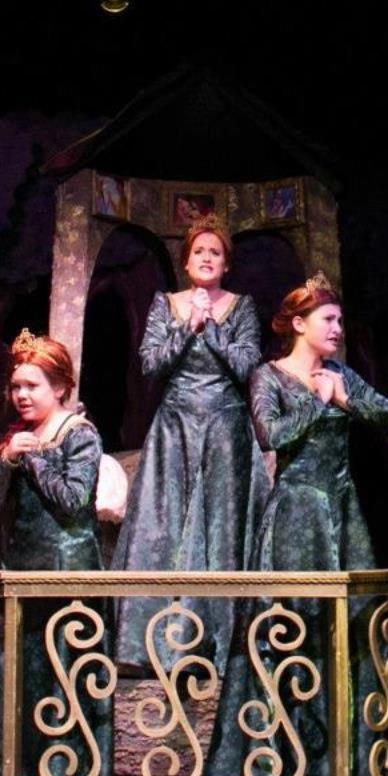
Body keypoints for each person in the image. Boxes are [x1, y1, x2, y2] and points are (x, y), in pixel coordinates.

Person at [206, 272, 388, 776]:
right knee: (291, 628)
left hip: (343, 515)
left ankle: (348, 766)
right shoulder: (269, 375)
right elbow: (270, 434)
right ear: (299, 324)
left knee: (353, 627)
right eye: (329, 319)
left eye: (340, 320)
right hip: (295, 517)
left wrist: (345, 400)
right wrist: (313, 402)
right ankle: (283, 765)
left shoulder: (340, 374)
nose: (338, 328)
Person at [113, 214, 270, 677]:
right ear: (186, 261)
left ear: (226, 264)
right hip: (175, 429)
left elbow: (248, 366)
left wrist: (212, 328)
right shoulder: (166, 304)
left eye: (215, 252)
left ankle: (221, 644)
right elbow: (150, 364)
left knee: (221, 530)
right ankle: (153, 646)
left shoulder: (242, 306)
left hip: (225, 430)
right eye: (199, 251)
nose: (206, 258)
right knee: (165, 527)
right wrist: (188, 326)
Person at [0, 329, 113, 776]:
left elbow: (74, 501)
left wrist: (34, 461)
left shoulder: (80, 434)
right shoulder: (17, 439)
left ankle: (71, 775)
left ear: (59, 387)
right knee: (23, 674)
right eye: (16, 386)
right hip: (22, 572)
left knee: (64, 673)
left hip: (67, 573)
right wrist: (6, 463)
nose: (21, 395)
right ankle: (22, 773)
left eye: (32, 386)